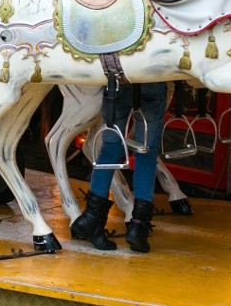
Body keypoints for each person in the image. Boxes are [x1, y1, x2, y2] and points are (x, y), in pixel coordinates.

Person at [70, 82, 167, 253]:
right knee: (146, 152)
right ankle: (138, 225)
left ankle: (91, 218)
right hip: (151, 83)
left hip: (117, 81)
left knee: (109, 149)